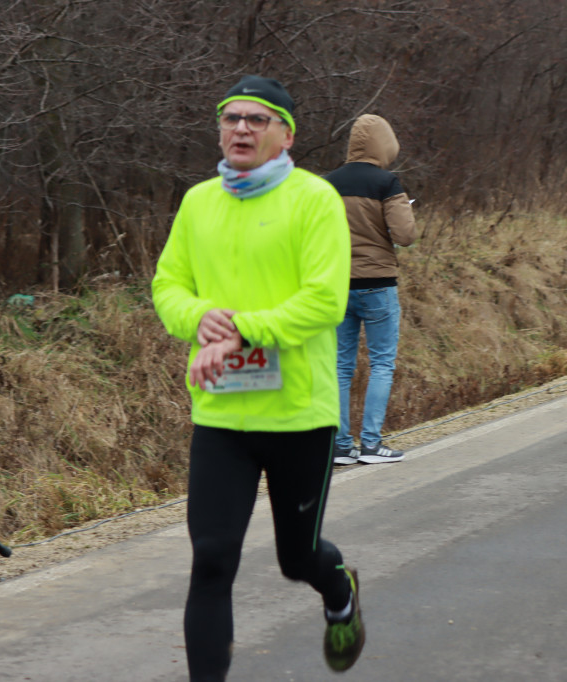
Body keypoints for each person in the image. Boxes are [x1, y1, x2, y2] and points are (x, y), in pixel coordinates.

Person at [152, 75, 364, 681]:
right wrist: (199, 317)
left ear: (285, 134)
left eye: (257, 120)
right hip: (222, 414)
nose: (241, 128)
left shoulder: (315, 199)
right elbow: (168, 286)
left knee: (297, 560)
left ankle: (339, 588)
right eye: (231, 118)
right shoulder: (198, 203)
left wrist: (242, 331)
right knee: (212, 561)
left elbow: (325, 301)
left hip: (299, 413)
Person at [323, 114, 416, 466]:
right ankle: (373, 445)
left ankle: (341, 446)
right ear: (384, 144)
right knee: (381, 363)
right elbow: (405, 236)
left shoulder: (327, 184)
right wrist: (403, 210)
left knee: (339, 366)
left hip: (336, 286)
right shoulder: (386, 183)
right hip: (377, 285)